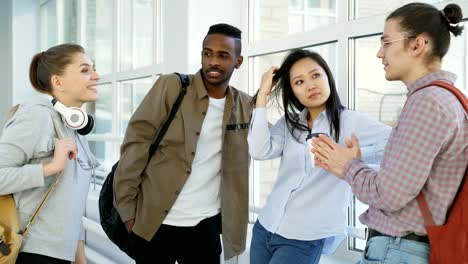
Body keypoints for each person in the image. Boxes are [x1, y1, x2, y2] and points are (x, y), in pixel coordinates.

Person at [311, 3, 468, 263]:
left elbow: (389, 195)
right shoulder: (447, 99)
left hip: (398, 251)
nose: (379, 53)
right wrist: (356, 164)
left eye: (386, 42)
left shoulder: (428, 103)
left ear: (417, 45)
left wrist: (347, 166)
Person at [113, 23, 252, 264]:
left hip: (204, 227)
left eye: (223, 55)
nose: (213, 62)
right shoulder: (172, 87)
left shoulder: (243, 105)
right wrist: (128, 214)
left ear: (238, 61)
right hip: (154, 223)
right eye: (207, 53)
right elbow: (136, 145)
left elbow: (273, 137)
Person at [248, 49, 391, 264]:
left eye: (315, 75)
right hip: (266, 226)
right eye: (299, 82)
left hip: (304, 237)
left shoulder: (351, 122)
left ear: (327, 77)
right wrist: (261, 98)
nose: (310, 85)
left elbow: (399, 145)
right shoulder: (289, 124)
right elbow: (259, 150)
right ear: (293, 91)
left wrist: (360, 155)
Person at [0, 43, 100, 264]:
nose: (96, 76)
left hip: (60, 254)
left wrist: (80, 258)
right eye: (85, 70)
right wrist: (50, 168)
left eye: (93, 68)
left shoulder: (74, 129)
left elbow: (69, 205)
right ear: (58, 82)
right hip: (31, 252)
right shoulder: (36, 116)